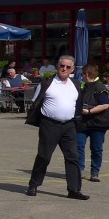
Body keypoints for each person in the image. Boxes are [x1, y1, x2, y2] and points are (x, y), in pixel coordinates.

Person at [26, 55, 87, 200]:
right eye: (62, 66)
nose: (64, 69)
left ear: (72, 69)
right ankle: (33, 184)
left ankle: (74, 190)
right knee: (44, 156)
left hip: (69, 125)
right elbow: (35, 102)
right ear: (57, 66)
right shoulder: (47, 82)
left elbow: (78, 104)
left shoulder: (76, 84)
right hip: (50, 124)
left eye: (67, 67)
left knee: (73, 157)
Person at [76, 65, 109, 183]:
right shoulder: (83, 86)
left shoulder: (100, 87)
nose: (81, 76)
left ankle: (95, 172)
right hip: (83, 122)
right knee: (78, 145)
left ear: (87, 75)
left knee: (96, 148)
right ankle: (80, 170)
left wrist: (90, 111)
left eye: (82, 74)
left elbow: (105, 105)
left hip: (98, 123)